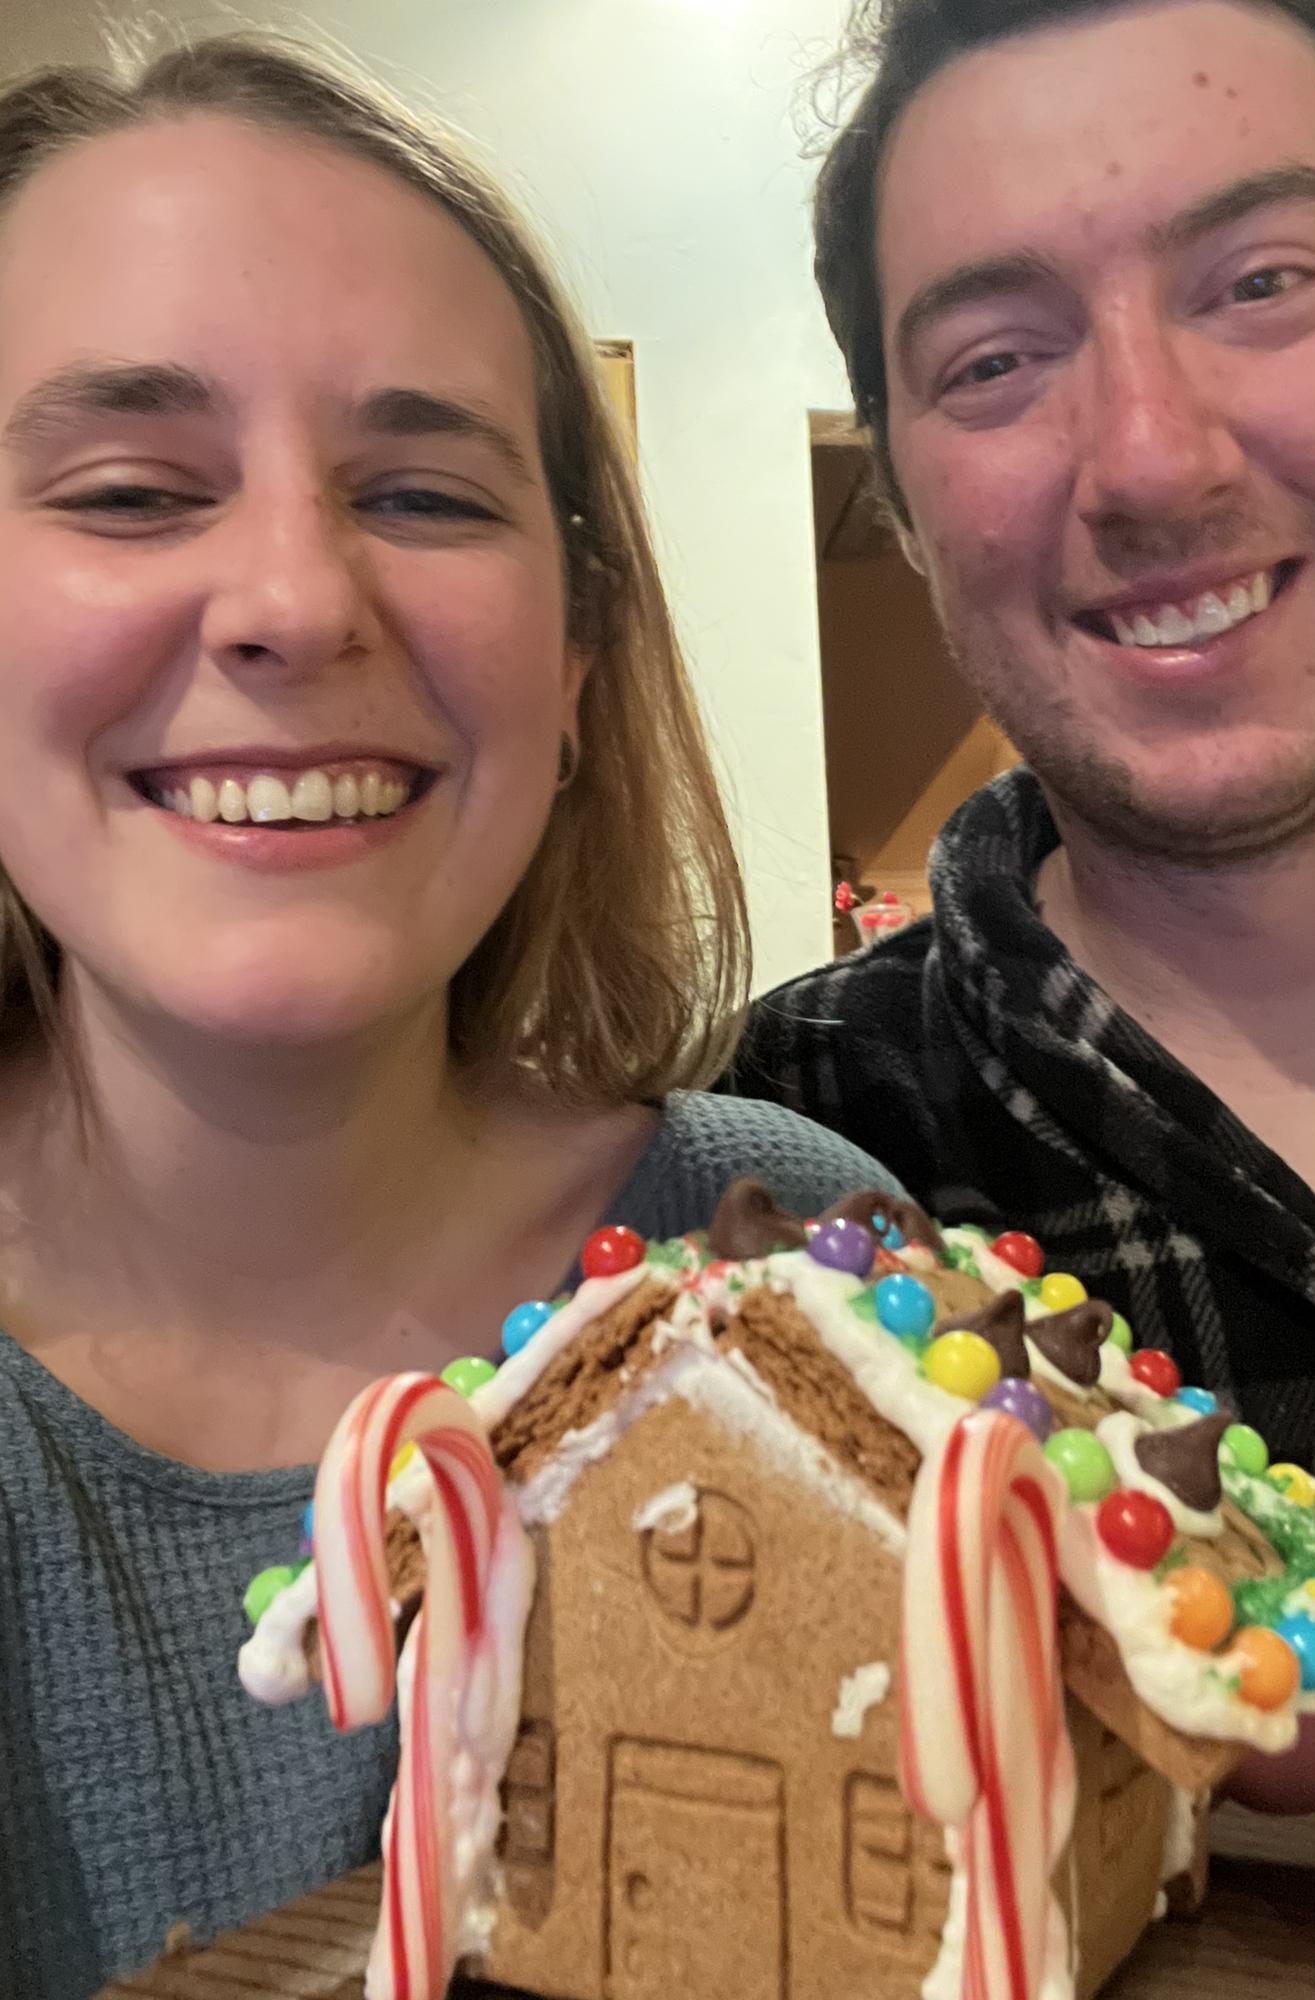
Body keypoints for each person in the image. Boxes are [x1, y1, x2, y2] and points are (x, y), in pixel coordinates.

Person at [0, 34, 904, 1999]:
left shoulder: (808, 1275)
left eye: (421, 490)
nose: (295, 601)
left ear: (580, 657)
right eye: (134, 488)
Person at [732, 0, 1315, 1590]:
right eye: (997, 360)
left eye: (1261, 284)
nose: (1151, 460)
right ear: (902, 495)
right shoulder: (796, 1145)